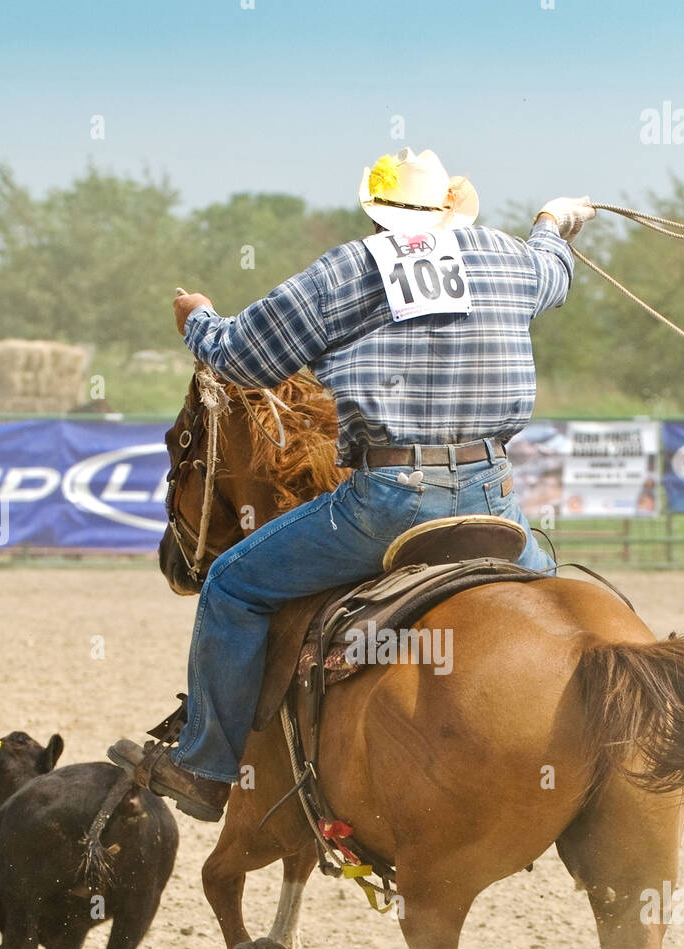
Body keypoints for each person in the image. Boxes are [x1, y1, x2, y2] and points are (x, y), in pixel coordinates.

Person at [109, 148, 595, 820]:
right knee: (565, 609)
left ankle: (205, 767)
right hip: (492, 496)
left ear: (375, 215)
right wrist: (552, 221)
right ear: (449, 209)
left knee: (232, 585)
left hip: (386, 500)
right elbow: (554, 273)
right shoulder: (505, 257)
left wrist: (196, 318)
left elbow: (239, 358)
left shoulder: (344, 271)